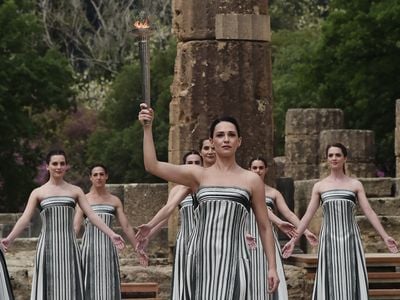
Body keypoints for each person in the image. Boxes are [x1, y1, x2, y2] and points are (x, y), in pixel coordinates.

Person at [138, 103, 279, 299]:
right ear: (212, 141)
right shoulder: (197, 175)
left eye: (231, 135)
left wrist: (272, 267)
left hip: (236, 259)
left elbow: (264, 226)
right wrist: (147, 128)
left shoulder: (251, 180)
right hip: (200, 257)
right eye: (220, 135)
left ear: (239, 141)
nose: (226, 139)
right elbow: (152, 165)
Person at [0, 149, 125, 299]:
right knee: (48, 290)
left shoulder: (76, 191)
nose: (58, 167)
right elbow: (25, 218)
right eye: (55, 163)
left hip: (70, 247)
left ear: (66, 166)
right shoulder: (38, 192)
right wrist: (9, 239)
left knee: (71, 289)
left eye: (62, 163)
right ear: (47, 166)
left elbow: (91, 215)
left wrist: (111, 234)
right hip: (47, 247)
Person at [282, 143, 399, 299]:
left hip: (351, 239)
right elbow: (308, 215)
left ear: (345, 158)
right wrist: (294, 240)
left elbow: (369, 211)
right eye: (330, 155)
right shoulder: (320, 186)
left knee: (351, 277)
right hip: (329, 239)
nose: (334, 158)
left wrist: (385, 236)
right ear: (327, 159)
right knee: (330, 278)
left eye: (337, 155)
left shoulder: (355, 185)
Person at [136, 150, 205, 299]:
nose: (193, 166)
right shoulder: (177, 190)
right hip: (185, 241)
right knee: (184, 285)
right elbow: (166, 215)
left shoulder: (207, 186)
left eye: (197, 163)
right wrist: (148, 236)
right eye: (189, 163)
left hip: (206, 240)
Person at [248, 157, 318, 300]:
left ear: (266, 170)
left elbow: (289, 214)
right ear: (250, 169)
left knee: (271, 274)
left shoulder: (274, 193)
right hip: (250, 238)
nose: (258, 171)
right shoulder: (246, 191)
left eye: (261, 168)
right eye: (254, 168)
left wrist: (305, 232)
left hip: (268, 238)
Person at [73, 164, 148, 300]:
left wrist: (138, 249)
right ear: (90, 178)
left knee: (108, 285)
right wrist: (69, 249)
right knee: (87, 285)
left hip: (108, 249)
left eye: (101, 174)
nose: (99, 177)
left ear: (106, 176)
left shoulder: (114, 200)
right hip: (89, 249)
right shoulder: (84, 199)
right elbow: (76, 227)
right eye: (95, 175)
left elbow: (126, 226)